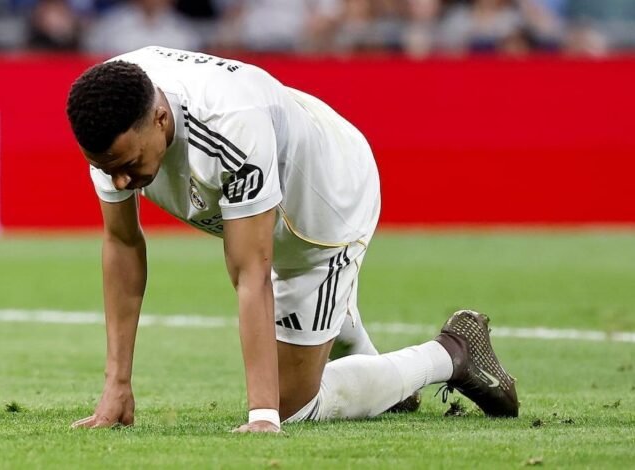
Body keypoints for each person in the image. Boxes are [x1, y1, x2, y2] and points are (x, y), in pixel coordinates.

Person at [65, 46, 519, 433]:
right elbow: (123, 245)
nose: (119, 181)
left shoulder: (230, 125)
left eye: (128, 164)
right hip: (277, 175)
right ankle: (375, 373)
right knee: (313, 340)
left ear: (161, 119)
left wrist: (263, 414)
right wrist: (116, 385)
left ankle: (452, 353)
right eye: (106, 168)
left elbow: (251, 271)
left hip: (326, 206)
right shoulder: (112, 110)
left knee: (293, 405)